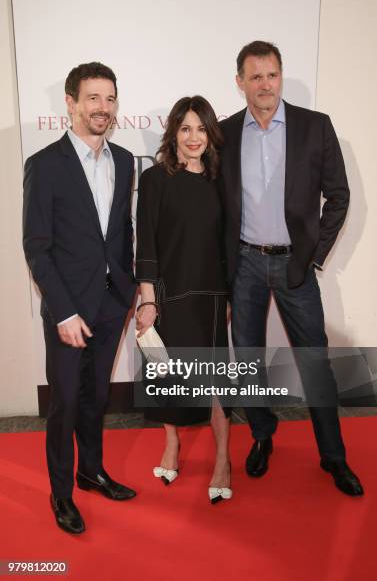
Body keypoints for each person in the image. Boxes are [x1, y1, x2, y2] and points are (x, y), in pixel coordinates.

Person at [219, 41, 363, 496]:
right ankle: (262, 435)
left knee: (315, 362)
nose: (265, 85)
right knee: (247, 359)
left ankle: (334, 456)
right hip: (243, 264)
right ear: (240, 82)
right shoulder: (223, 134)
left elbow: (338, 196)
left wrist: (312, 255)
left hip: (294, 266)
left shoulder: (314, 127)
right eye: (255, 76)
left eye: (272, 75)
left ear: (281, 77)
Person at [23, 62, 138, 534]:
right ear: (70, 103)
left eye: (109, 99)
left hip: (113, 303)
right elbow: (37, 246)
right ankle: (62, 494)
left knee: (96, 399)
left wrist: (131, 290)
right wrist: (64, 311)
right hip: (69, 309)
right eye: (92, 98)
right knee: (66, 402)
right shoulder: (45, 165)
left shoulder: (126, 160)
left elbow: (119, 233)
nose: (102, 108)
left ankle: (92, 472)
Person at [135, 96, 232, 503]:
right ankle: (172, 443)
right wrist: (148, 300)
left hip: (211, 296)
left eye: (201, 128)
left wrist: (230, 297)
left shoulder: (220, 179)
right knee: (167, 377)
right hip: (170, 296)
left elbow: (227, 243)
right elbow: (147, 243)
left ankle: (224, 458)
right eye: (186, 128)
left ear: (210, 134)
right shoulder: (156, 179)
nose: (194, 137)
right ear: (174, 131)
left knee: (212, 381)